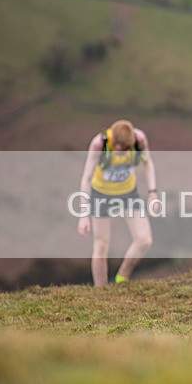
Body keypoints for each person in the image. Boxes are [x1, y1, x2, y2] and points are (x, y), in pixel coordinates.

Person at [77, 119, 160, 286]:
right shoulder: (99, 144)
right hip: (102, 195)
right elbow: (86, 179)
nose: (126, 152)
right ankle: (100, 291)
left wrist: (153, 193)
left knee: (144, 240)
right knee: (101, 245)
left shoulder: (139, 140)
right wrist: (84, 214)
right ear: (115, 143)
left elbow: (147, 163)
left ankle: (122, 277)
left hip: (128, 194)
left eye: (129, 149)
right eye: (123, 150)